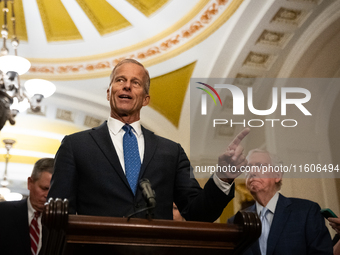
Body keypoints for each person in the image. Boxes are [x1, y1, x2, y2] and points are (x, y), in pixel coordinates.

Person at [47, 58, 250, 221]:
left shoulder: (171, 151)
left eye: (135, 83)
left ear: (146, 99)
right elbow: (57, 216)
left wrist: (223, 177)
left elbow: (198, 213)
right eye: (120, 80)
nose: (126, 86)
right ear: (109, 93)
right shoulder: (75, 146)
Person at [228, 149, 333, 255]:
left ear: (277, 176)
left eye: (260, 166)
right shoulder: (235, 221)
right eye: (248, 168)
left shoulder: (307, 211)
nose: (252, 172)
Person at [0, 157, 54, 255]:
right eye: (44, 188)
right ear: (30, 183)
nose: (48, 195)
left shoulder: (59, 223)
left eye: (52, 190)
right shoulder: (3, 213)